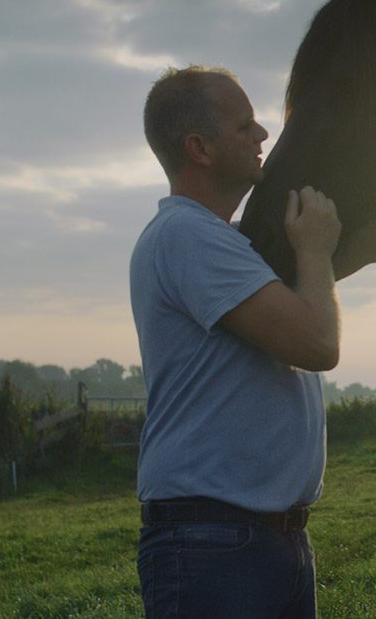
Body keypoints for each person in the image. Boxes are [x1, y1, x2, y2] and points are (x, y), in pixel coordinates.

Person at [130, 65, 341, 618]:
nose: (263, 135)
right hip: (213, 546)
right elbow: (317, 343)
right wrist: (316, 251)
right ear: (199, 148)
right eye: (245, 125)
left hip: (254, 541)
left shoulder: (216, 242)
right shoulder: (188, 235)